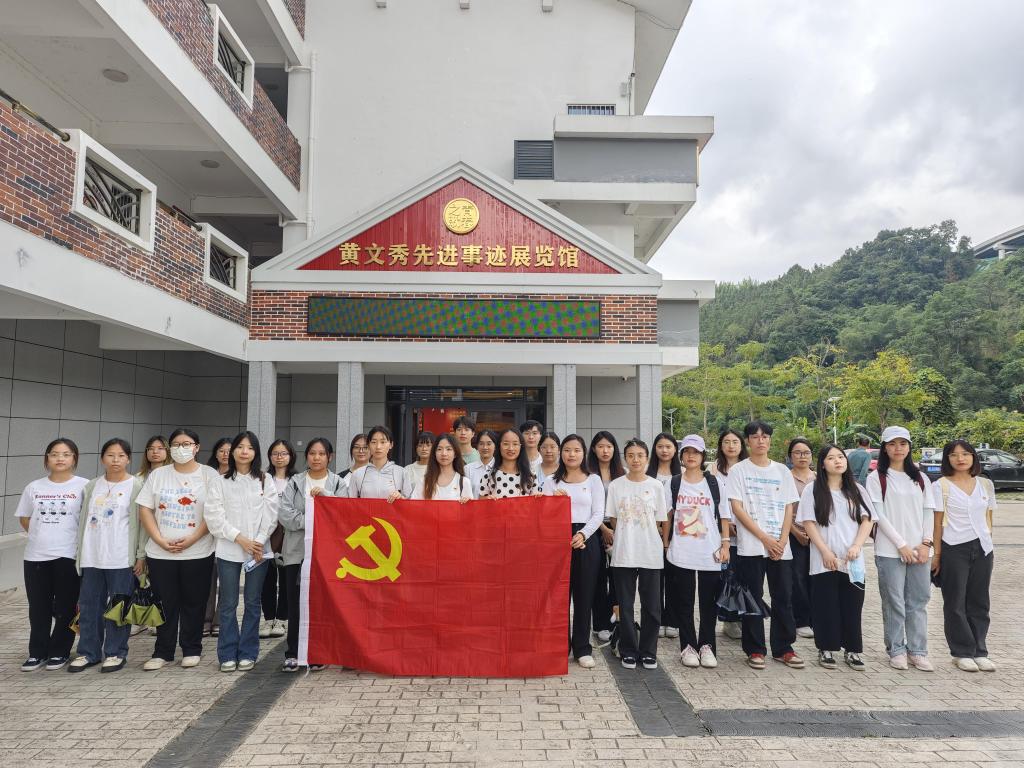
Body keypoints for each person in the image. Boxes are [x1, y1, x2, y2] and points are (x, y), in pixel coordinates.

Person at [137, 428, 220, 671]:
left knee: (194, 602)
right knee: (164, 602)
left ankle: (191, 648)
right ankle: (163, 651)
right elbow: (145, 509)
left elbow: (214, 512)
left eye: (186, 444)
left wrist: (193, 538)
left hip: (198, 550)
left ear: (197, 447)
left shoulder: (209, 474)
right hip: (160, 552)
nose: (181, 448)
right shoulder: (158, 475)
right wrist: (159, 539)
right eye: (176, 444)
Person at [726, 420, 804, 670]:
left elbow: (789, 507)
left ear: (770, 440)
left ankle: (784, 648)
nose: (761, 441)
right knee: (752, 597)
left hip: (781, 547)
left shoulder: (782, 471)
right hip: (751, 546)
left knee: (783, 597)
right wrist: (764, 538)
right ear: (748, 441)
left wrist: (781, 540)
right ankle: (755, 649)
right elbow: (737, 508)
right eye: (755, 436)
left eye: (765, 436)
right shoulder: (738, 470)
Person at [204, 431, 279, 673]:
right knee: (227, 603)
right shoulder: (219, 481)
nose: (244, 451)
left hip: (258, 551)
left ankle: (248, 651)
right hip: (229, 549)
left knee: (253, 602)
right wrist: (240, 539)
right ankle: (227, 653)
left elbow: (271, 515)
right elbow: (214, 516)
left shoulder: (265, 480)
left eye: (250, 447)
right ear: (232, 451)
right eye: (240, 447)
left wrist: (258, 542)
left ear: (256, 453)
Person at [797, 445, 874, 671]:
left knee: (852, 606)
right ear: (822, 464)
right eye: (831, 458)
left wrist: (857, 545)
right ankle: (826, 648)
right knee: (825, 606)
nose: (838, 461)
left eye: (841, 457)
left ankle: (853, 650)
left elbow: (868, 519)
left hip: (853, 561)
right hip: (824, 559)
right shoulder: (813, 490)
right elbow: (808, 523)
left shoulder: (857, 490)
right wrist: (824, 551)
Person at [70, 439, 144, 673]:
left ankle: (115, 652)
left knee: (119, 606)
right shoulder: (92, 486)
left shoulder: (136, 485)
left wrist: (141, 555)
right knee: (89, 606)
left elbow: (143, 524)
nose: (115, 460)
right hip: (92, 555)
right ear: (102, 458)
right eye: (110, 455)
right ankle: (88, 652)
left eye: (121, 455)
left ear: (128, 459)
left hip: (121, 556)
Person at [866, 425, 935, 671]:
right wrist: (901, 545)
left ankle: (918, 650)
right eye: (892, 444)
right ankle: (896, 649)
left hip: (920, 550)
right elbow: (879, 515)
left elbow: (929, 512)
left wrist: (926, 543)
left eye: (903, 444)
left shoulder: (921, 478)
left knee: (918, 600)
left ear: (909, 447)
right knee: (893, 600)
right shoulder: (876, 478)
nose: (898, 448)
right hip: (889, 550)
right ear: (884, 448)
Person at [16, 438, 87, 672]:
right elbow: (25, 518)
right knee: (38, 607)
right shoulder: (34, 487)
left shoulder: (84, 486)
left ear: (74, 458)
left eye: (66, 454)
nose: (60, 458)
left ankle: (60, 651)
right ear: (47, 458)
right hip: (36, 556)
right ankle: (37, 652)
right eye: (54, 454)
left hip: (68, 555)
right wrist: (42, 534)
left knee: (66, 607)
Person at [278, 438, 345, 672]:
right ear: (306, 456)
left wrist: (326, 498)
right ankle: (293, 652)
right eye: (312, 453)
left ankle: (318, 652)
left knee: (320, 605)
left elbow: (342, 513)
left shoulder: (338, 483)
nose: (316, 458)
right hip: (296, 553)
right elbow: (285, 514)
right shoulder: (295, 482)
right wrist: (311, 519)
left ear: (330, 457)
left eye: (322, 453)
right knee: (296, 603)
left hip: (326, 555)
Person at [931, 440, 997, 673]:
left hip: (983, 548)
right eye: (954, 455)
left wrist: (988, 544)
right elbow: (937, 523)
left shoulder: (985, 484)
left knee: (979, 601)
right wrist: (937, 554)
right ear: (947, 459)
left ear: (973, 457)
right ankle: (961, 652)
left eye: (966, 454)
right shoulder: (940, 486)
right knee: (955, 602)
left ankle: (980, 651)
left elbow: (989, 518)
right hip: (953, 547)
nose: (960, 459)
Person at [665, 435, 730, 669]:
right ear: (681, 456)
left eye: (696, 452)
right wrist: (665, 544)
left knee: (708, 602)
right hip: (681, 550)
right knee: (684, 601)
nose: (691, 456)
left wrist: (725, 544)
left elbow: (724, 515)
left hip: (709, 551)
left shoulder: (714, 483)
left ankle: (707, 646)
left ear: (703, 456)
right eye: (687, 452)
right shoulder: (673, 483)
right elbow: (667, 516)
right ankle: (688, 647)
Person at [606, 438, 668, 670]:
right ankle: (629, 650)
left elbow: (661, 520)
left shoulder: (656, 486)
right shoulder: (616, 485)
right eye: (630, 455)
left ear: (647, 458)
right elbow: (613, 518)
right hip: (624, 551)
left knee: (652, 605)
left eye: (640, 455)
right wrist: (626, 534)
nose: (635, 460)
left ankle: (649, 651)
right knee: (625, 604)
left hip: (650, 551)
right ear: (625, 458)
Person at [547, 434, 605, 669]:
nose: (571, 454)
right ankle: (560, 646)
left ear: (584, 453)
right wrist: (553, 501)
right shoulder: (551, 481)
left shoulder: (593, 480)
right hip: (557, 540)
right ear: (561, 453)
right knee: (560, 596)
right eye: (567, 450)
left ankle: (582, 647)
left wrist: (583, 534)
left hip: (586, 540)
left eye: (576, 450)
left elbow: (598, 513)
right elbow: (544, 513)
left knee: (584, 596)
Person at [587, 431, 625, 643]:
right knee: (598, 578)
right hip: (594, 529)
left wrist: (615, 530)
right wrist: (603, 528)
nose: (605, 450)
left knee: (617, 578)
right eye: (601, 446)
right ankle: (600, 623)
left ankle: (614, 621)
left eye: (609, 446)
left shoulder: (622, 474)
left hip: (619, 529)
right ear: (594, 449)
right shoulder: (587, 473)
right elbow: (587, 507)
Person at [714, 429, 749, 641]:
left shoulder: (748, 468)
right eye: (726, 442)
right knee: (728, 577)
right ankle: (729, 620)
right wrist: (724, 525)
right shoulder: (713, 470)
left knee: (745, 577)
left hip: (747, 530)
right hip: (723, 534)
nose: (731, 446)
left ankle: (744, 617)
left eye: (735, 441)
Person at [648, 432, 682, 640]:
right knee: (655, 579)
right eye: (660, 446)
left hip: (678, 534)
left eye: (668, 446)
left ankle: (673, 620)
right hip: (651, 533)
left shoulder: (683, 473)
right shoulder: (647, 473)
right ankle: (658, 619)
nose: (664, 450)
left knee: (675, 579)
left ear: (675, 450)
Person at [261, 439, 296, 639]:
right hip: (266, 534)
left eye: (283, 453)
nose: (279, 457)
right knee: (266, 579)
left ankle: (282, 618)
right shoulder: (262, 479)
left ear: (291, 456)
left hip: (289, 535)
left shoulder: (296, 480)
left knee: (285, 579)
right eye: (275, 453)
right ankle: (268, 619)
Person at [787, 438, 816, 640]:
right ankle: (801, 620)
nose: (802, 456)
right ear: (790, 456)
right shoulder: (785, 478)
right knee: (797, 578)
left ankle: (816, 618)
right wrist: (795, 532)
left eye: (806, 452)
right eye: (797, 453)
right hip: (793, 533)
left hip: (818, 536)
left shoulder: (819, 478)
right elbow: (782, 509)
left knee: (815, 576)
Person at [203, 436, 231, 638]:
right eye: (221, 450)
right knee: (207, 580)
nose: (225, 454)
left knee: (227, 581)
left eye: (229, 451)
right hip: (206, 534)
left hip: (229, 535)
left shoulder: (239, 476)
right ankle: (205, 619)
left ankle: (219, 620)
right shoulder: (207, 474)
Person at [347, 425, 409, 500]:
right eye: (374, 442)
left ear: (391, 445)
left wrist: (401, 498)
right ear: (368, 445)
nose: (378, 447)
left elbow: (410, 503)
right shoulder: (357, 474)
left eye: (383, 442)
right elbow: (351, 503)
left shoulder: (401, 473)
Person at [480, 427, 540, 498]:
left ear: (521, 447)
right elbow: (481, 501)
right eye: (506, 444)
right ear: (499, 446)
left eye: (515, 444)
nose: (511, 448)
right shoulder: (488, 475)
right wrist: (487, 500)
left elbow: (536, 502)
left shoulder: (530, 475)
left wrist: (539, 497)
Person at [410, 434, 473, 501]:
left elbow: (470, 507)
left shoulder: (463, 482)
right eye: (439, 449)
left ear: (455, 454)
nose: (444, 453)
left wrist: (467, 502)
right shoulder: (424, 481)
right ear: (434, 453)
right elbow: (414, 505)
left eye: (448, 449)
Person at [465, 429, 497, 499]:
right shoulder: (468, 469)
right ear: (477, 446)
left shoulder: (501, 468)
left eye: (489, 444)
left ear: (495, 446)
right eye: (481, 444)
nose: (485, 447)